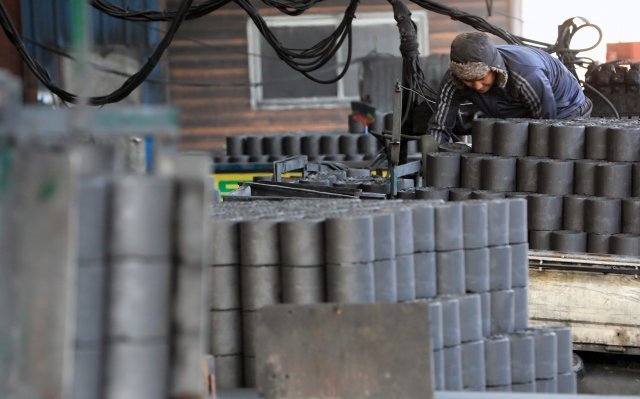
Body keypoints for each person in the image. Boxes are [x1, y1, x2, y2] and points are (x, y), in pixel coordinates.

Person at [427, 32, 592, 144]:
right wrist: (432, 162)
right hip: (516, 111)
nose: (477, 86)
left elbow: (546, 126)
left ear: (495, 69)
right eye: (468, 81)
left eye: (481, 79)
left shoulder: (526, 75)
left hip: (566, 110)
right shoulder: (454, 80)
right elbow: (439, 126)